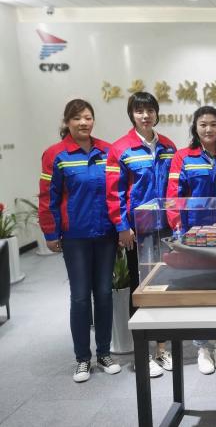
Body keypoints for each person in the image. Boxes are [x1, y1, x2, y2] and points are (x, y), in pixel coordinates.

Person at [38, 99, 121, 382]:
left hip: (106, 234)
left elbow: (116, 193)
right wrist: (50, 232)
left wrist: (120, 226)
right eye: (77, 118)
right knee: (81, 297)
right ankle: (82, 358)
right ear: (67, 122)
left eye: (87, 117)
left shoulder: (107, 151)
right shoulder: (55, 155)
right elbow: (47, 197)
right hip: (75, 237)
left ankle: (105, 352)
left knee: (105, 294)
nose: (83, 123)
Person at [106, 91, 176, 378]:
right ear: (132, 115)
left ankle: (162, 348)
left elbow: (174, 188)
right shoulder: (120, 149)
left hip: (164, 228)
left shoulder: (169, 146)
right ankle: (141, 353)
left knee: (165, 285)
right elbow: (114, 193)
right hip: (138, 231)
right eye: (139, 111)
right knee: (140, 289)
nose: (145, 115)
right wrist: (122, 226)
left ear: (157, 113)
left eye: (149, 110)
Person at [166, 106, 216, 376]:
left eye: (213, 124)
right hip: (193, 231)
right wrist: (177, 226)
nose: (208, 129)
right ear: (195, 127)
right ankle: (202, 346)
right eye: (203, 124)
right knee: (198, 288)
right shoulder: (183, 157)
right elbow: (173, 195)